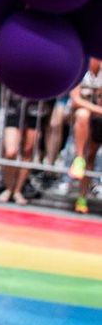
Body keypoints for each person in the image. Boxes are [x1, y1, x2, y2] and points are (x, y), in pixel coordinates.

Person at [0, 94, 54, 205]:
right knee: (10, 151)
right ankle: (9, 188)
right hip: (14, 103)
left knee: (28, 150)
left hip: (37, 106)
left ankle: (17, 190)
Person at [68, 58, 102, 214]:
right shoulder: (79, 64)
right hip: (88, 118)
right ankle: (78, 158)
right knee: (82, 114)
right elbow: (76, 101)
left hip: (97, 118)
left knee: (92, 156)